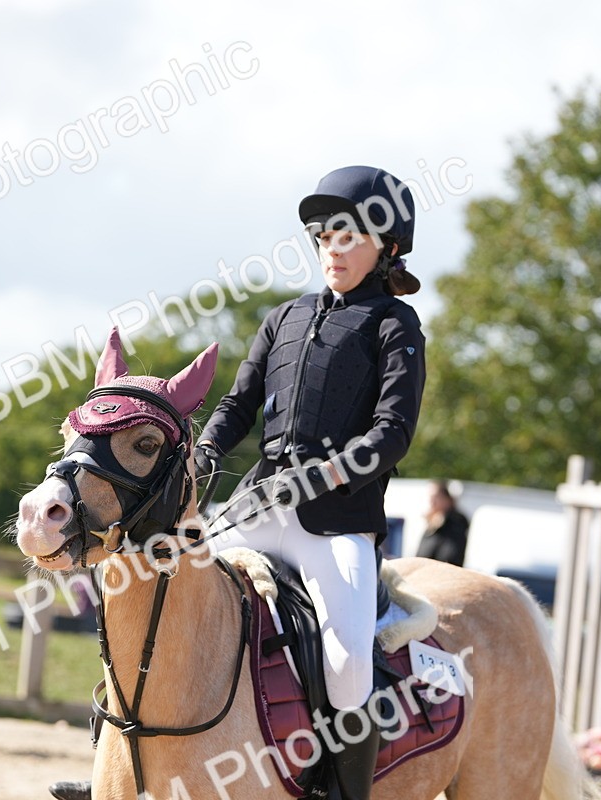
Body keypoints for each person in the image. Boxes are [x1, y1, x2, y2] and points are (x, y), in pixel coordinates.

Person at [191, 165, 427, 800]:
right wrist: (208, 447)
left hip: (335, 522)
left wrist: (323, 475)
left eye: (349, 237)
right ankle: (121, 757)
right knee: (162, 593)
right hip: (256, 509)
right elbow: (238, 405)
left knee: (349, 665)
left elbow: (391, 434)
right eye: (325, 236)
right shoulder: (283, 318)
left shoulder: (394, 325)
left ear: (388, 248)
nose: (333, 248)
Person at [415, 480, 468, 566]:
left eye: (435, 497)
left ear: (447, 499)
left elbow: (449, 556)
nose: (431, 502)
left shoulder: (455, 522)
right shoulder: (432, 522)